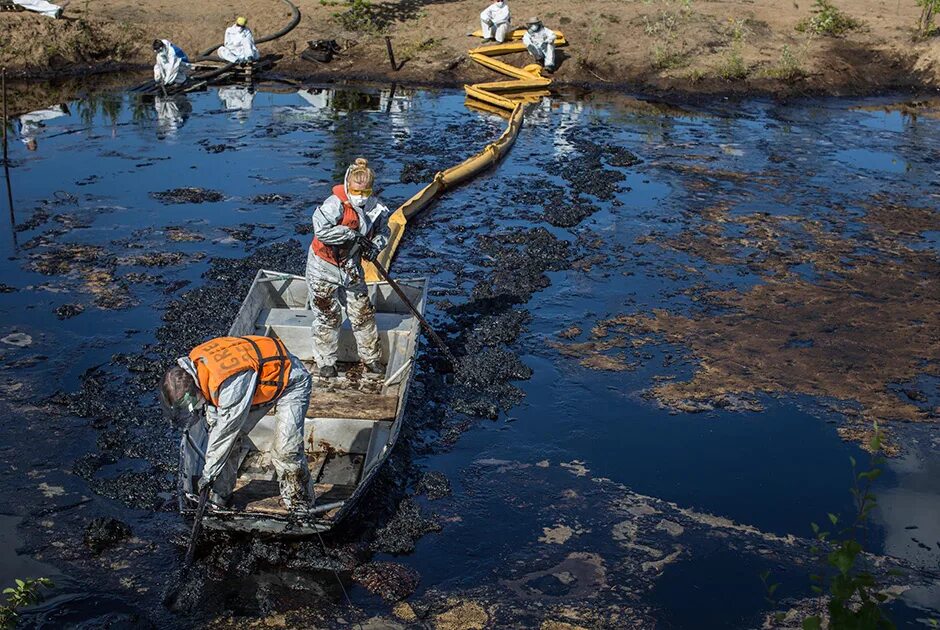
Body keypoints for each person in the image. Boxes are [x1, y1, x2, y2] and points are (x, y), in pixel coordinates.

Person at [160, 336, 314, 510]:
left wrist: (208, 474)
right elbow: (214, 410)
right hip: (256, 384)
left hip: (290, 381)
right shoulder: (197, 364)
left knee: (286, 450)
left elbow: (227, 431)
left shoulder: (229, 384)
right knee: (226, 446)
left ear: (193, 390)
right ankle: (221, 496)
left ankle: (300, 505)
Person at [306, 158, 390, 378]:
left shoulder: (375, 208)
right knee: (328, 316)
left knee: (363, 312)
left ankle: (371, 359)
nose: (361, 196)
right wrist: (351, 234)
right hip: (323, 267)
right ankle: (326, 362)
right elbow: (321, 232)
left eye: (366, 192)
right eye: (356, 191)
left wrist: (375, 245)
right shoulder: (334, 205)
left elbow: (385, 232)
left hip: (350, 266)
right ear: (347, 186)